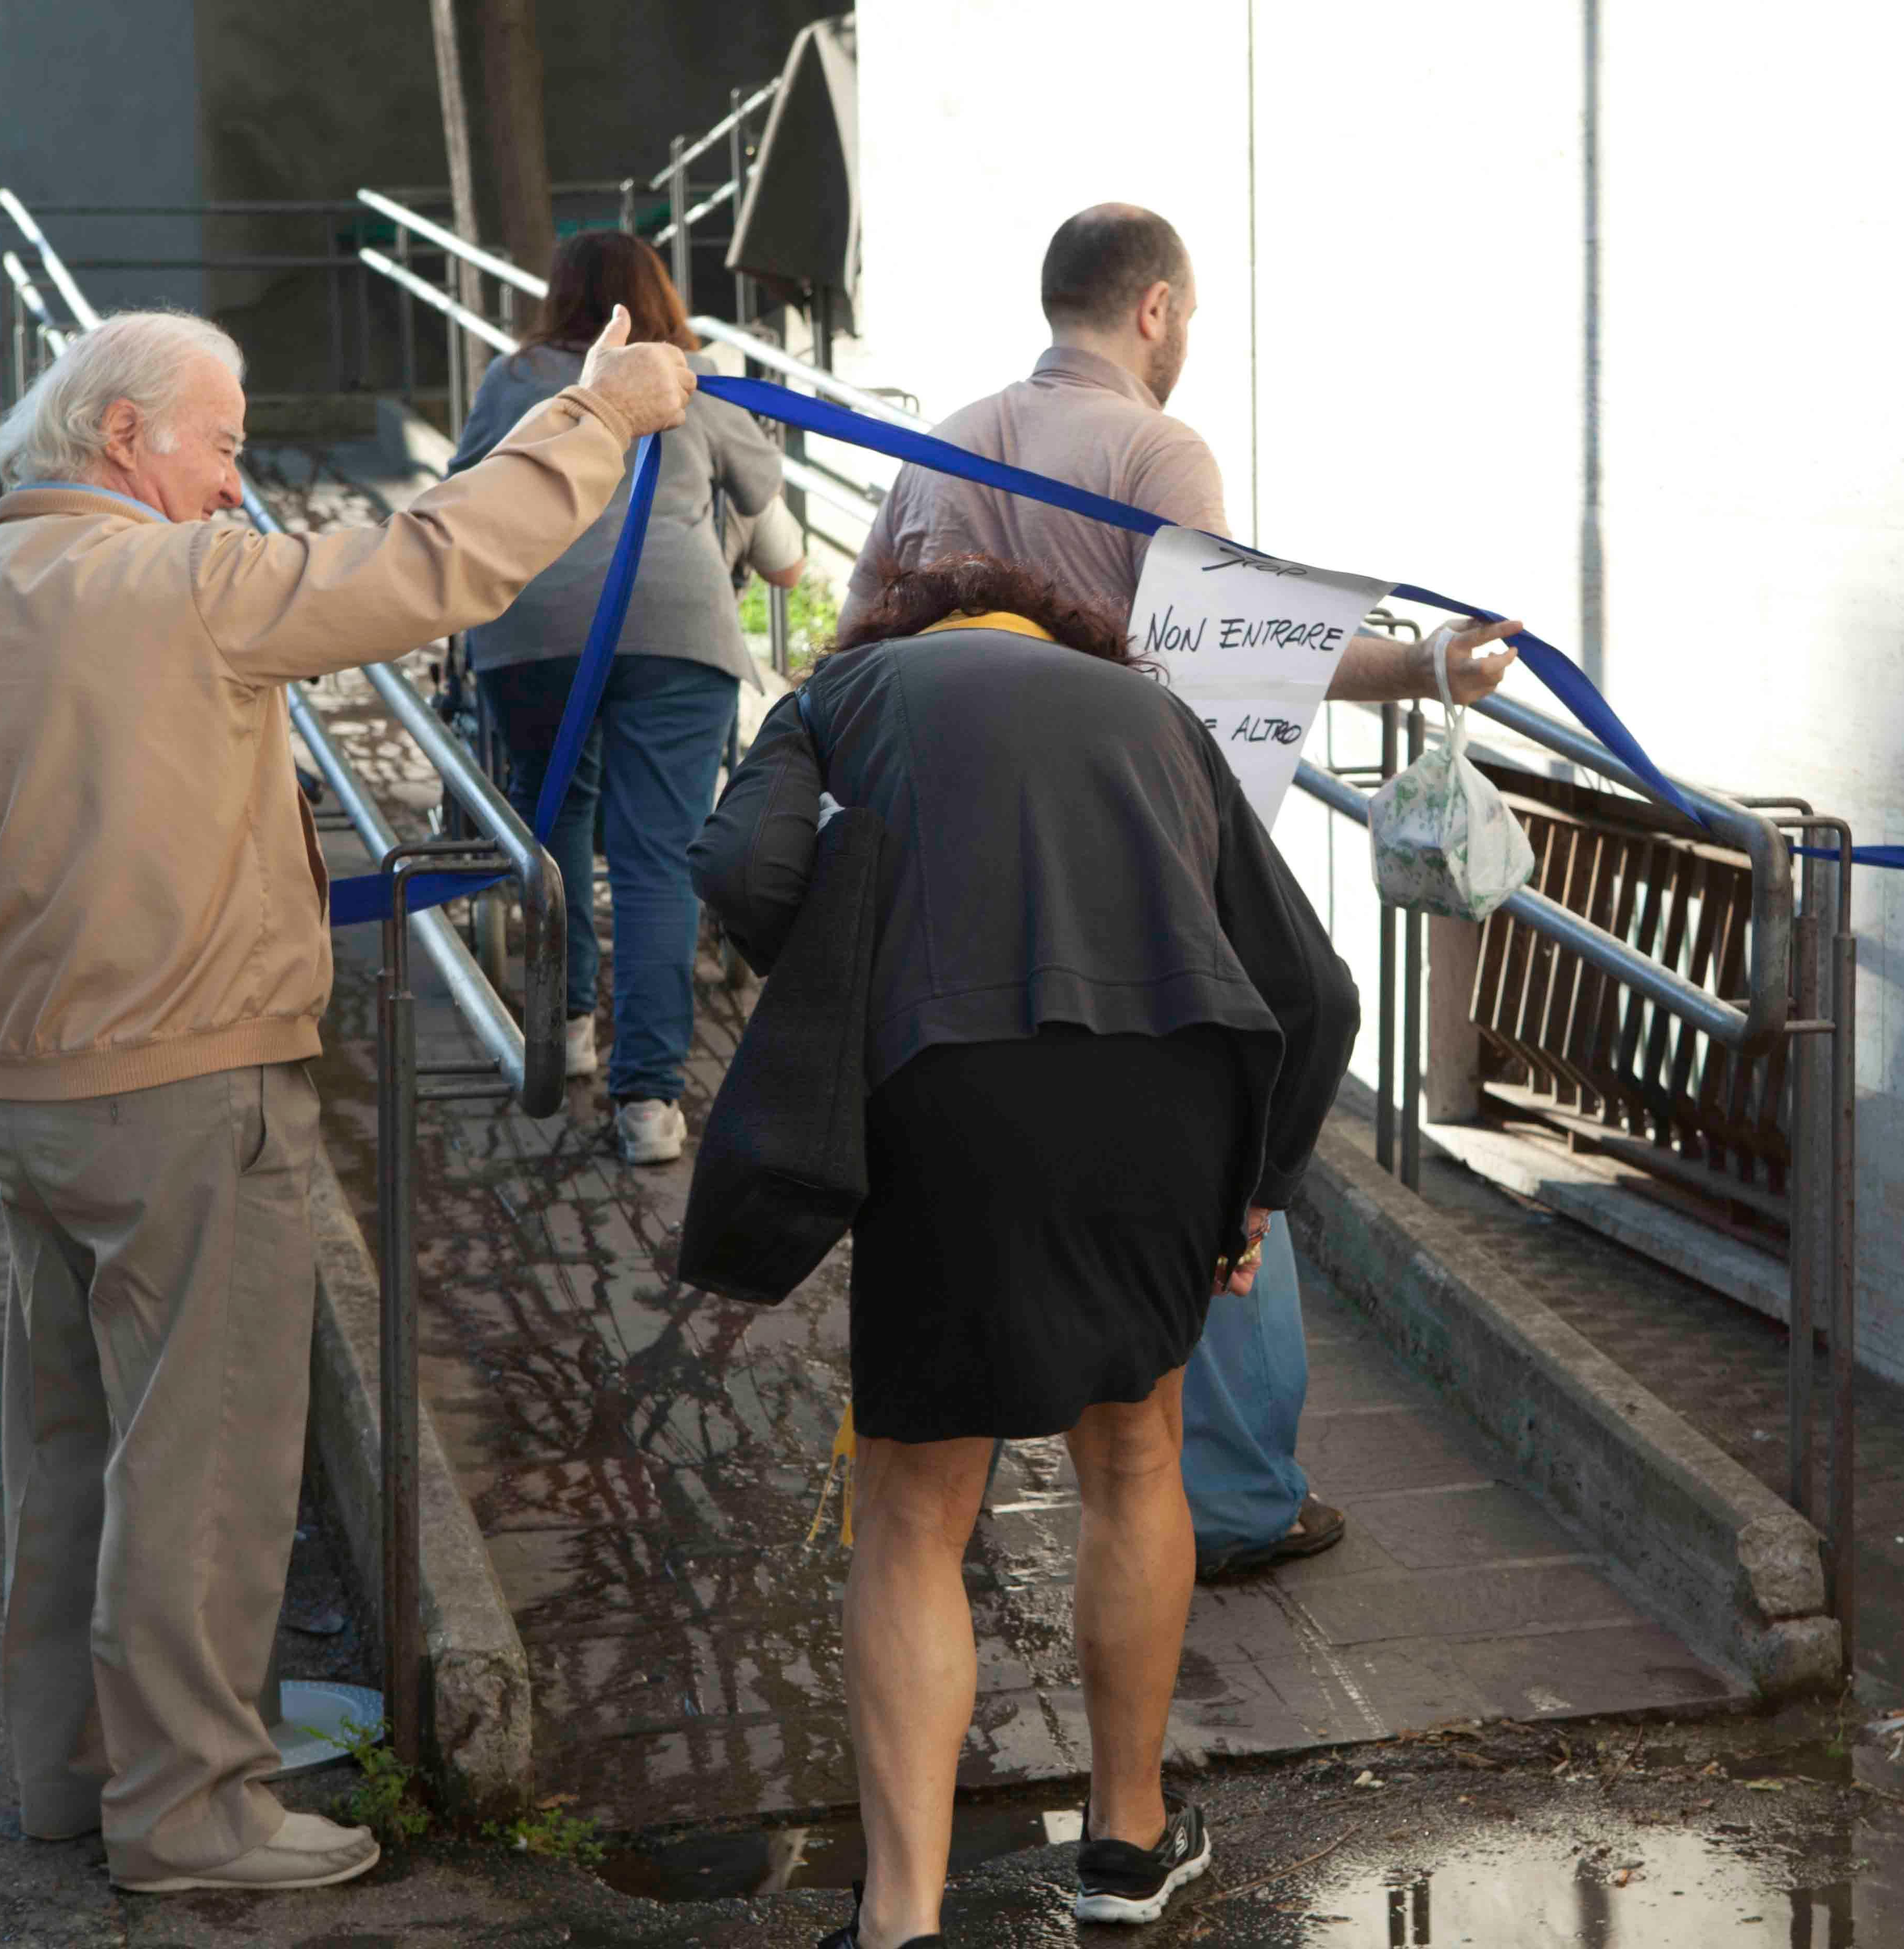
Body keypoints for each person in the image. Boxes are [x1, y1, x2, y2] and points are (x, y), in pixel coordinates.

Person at [0, 306, 697, 1894]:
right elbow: (439, 561)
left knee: (76, 1448)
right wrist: (605, 415)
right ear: (123, 441)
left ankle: (77, 1775)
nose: (234, 482)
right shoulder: (178, 587)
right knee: (205, 1466)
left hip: (27, 1089)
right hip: (187, 1085)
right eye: (220, 444)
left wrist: (50, 887)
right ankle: (193, 1811)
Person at [837, 203, 1519, 1582]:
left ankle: (955, 1480)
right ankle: (1241, 1496)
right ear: (1153, 311)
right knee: (1234, 1123)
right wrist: (1431, 666)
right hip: (1127, 848)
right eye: (1191, 319)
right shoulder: (1156, 445)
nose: (1187, 341)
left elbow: (855, 642)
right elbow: (1236, 653)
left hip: (951, 870)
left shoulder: (944, 444)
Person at [691, 553, 1359, 1949]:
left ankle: (902, 1921)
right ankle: (1125, 1847)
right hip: (1173, 1098)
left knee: (917, 1512)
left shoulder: (844, 691)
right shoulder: (1155, 718)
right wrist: (1252, 1196)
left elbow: (742, 866)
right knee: (1135, 1458)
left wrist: (839, 959)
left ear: (907, 627)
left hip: (953, 1079)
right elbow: (1312, 984)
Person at [449, 230, 795, 1163]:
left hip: (530, 629)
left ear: (560, 294)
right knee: (658, 858)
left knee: (554, 805)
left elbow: (465, 492)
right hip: (676, 625)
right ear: (658, 292)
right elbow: (781, 542)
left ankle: (565, 1028)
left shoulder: (513, 377)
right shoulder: (692, 376)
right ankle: (649, 1102)